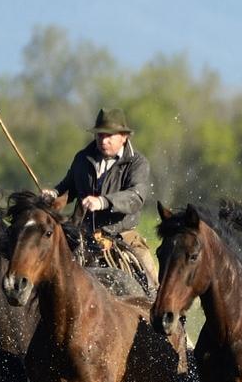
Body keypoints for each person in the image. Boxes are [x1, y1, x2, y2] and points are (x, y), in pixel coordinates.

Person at [43, 108, 158, 290]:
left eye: (109, 136)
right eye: (100, 135)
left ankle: (159, 311)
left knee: (151, 280)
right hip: (81, 235)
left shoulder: (137, 163)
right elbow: (67, 189)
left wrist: (103, 201)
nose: (103, 140)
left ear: (124, 136)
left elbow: (136, 196)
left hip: (123, 235)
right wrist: (53, 195)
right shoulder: (82, 159)